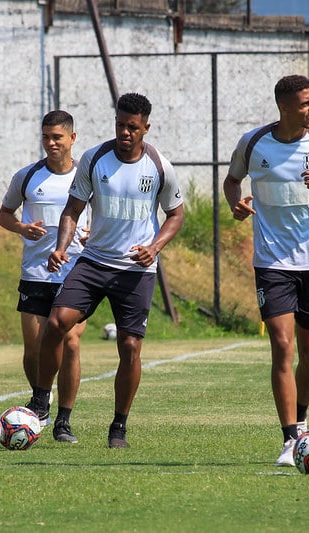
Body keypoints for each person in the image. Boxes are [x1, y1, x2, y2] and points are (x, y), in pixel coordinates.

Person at [25, 93, 185, 448]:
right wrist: (61, 248)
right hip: (94, 261)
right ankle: (41, 400)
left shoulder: (159, 165)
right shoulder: (94, 159)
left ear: (146, 128)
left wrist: (155, 247)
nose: (125, 132)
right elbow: (72, 209)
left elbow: (176, 214)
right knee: (57, 322)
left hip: (135, 270)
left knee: (130, 347)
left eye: (133, 127)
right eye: (120, 125)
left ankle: (118, 427)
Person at [222, 74, 309, 467]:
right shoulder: (253, 143)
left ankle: (301, 420)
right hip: (271, 262)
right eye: (304, 103)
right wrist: (236, 204)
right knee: (282, 345)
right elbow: (232, 181)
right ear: (284, 107)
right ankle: (290, 439)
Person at [0, 110, 88, 443]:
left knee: (71, 343)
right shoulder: (27, 176)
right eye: (46, 137)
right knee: (34, 350)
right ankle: (41, 400)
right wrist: (22, 227)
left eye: (57, 137)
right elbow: (4, 214)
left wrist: (94, 234)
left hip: (76, 273)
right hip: (36, 273)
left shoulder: (87, 176)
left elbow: (102, 216)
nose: (51, 143)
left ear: (72, 138)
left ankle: (64, 420)